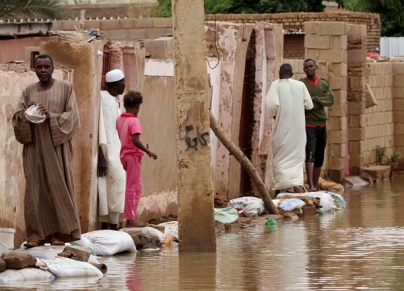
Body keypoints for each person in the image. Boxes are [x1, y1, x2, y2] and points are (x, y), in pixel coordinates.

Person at [12, 54, 81, 248]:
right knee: (35, 190)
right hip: (34, 147)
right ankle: (36, 235)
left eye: (46, 67)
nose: (43, 70)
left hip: (57, 146)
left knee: (58, 187)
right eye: (39, 67)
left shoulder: (66, 88)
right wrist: (27, 115)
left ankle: (62, 233)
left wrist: (51, 116)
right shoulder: (28, 91)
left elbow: (73, 117)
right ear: (34, 69)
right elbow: (17, 118)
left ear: (52, 68)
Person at [266, 63, 313, 193]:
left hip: (282, 128)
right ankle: (297, 185)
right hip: (298, 130)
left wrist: (276, 115)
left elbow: (271, 107)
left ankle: (280, 188)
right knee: (297, 158)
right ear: (292, 74)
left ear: (280, 74)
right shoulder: (300, 85)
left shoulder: (275, 85)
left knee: (280, 158)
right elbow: (309, 105)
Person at [116, 91, 157, 228]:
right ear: (137, 107)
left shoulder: (120, 119)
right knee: (132, 187)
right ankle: (130, 219)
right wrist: (148, 151)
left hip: (125, 156)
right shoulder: (134, 121)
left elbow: (122, 135)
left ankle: (132, 215)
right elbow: (135, 140)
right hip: (133, 156)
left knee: (138, 187)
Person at [97, 69, 126, 230]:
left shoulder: (115, 101)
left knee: (117, 186)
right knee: (108, 187)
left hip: (117, 150)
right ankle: (109, 227)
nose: (124, 86)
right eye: (123, 83)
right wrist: (101, 153)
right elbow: (100, 125)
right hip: (106, 150)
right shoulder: (102, 98)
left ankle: (113, 225)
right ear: (118, 84)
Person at [300, 59, 335, 191]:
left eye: (311, 66)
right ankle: (311, 186)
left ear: (315, 68)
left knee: (319, 155)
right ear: (304, 69)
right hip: (308, 124)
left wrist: (314, 99)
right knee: (310, 154)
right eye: (306, 67)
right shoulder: (301, 84)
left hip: (321, 124)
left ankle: (316, 185)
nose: (309, 69)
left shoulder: (323, 84)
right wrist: (320, 101)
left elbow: (331, 100)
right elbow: (305, 105)